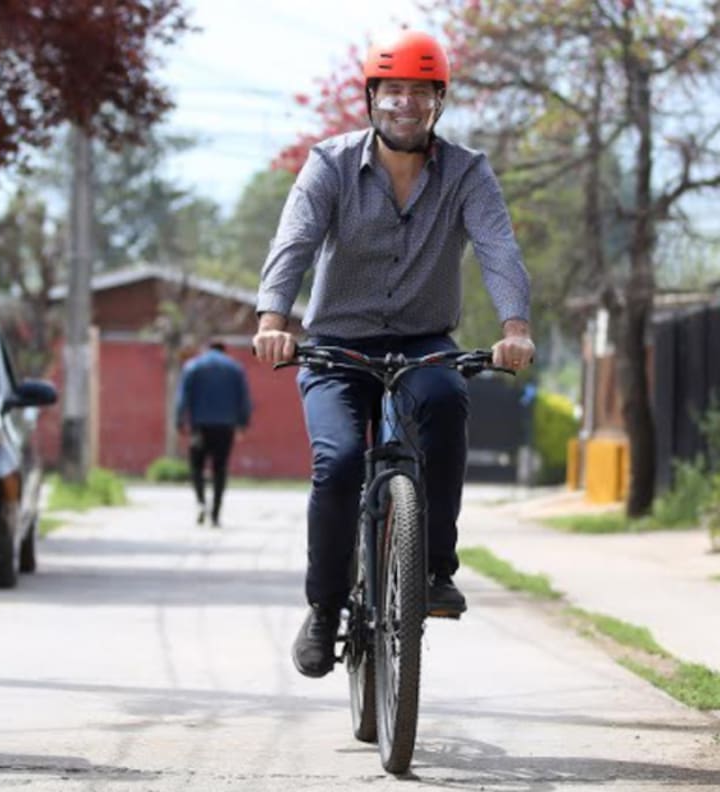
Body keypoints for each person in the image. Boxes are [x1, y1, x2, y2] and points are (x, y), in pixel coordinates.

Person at [251, 31, 535, 679]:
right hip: (335, 341)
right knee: (341, 459)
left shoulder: (468, 171)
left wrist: (514, 326)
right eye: (393, 90)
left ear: (439, 102)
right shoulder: (329, 165)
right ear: (372, 98)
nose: (405, 104)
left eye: (420, 92)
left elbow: (498, 248)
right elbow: (293, 243)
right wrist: (274, 319)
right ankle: (324, 609)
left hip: (423, 339)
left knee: (445, 403)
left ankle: (435, 567)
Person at [175, 339, 252, 528]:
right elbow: (244, 399)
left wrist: (179, 421)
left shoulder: (192, 367)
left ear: (206, 349)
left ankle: (201, 502)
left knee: (196, 466)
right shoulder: (235, 369)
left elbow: (182, 397)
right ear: (225, 351)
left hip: (199, 426)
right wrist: (242, 423)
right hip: (225, 427)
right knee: (220, 468)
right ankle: (216, 513)